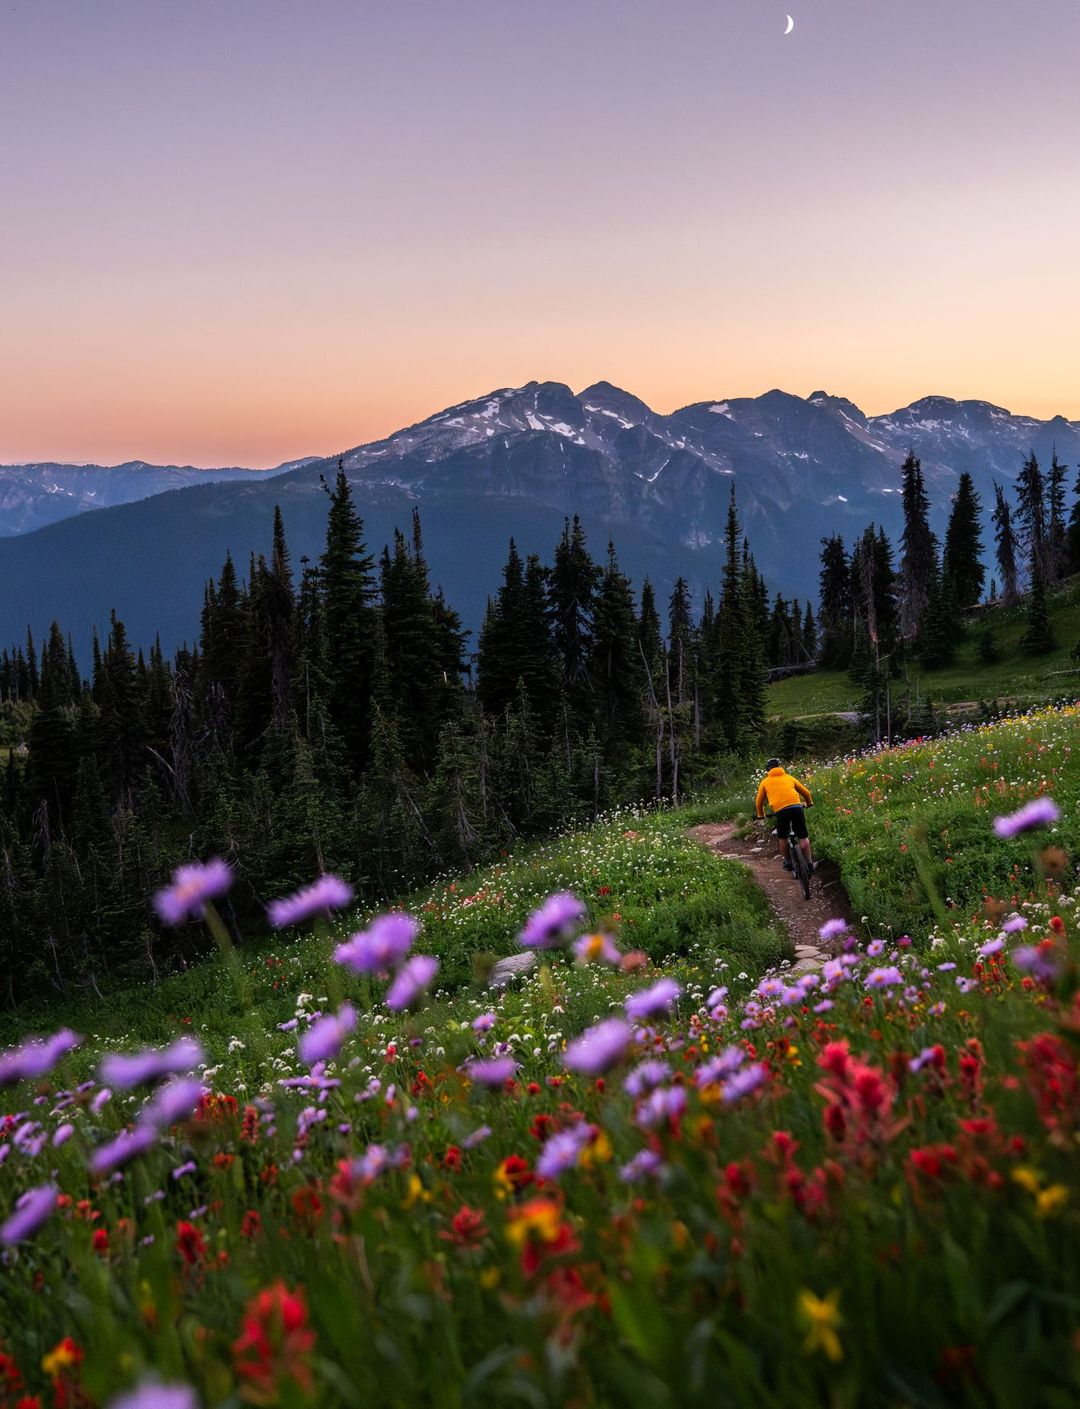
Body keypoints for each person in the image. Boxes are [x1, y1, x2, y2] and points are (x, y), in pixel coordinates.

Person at [754, 757, 815, 873]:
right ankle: (810, 863)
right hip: (797, 808)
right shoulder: (789, 777)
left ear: (768, 770)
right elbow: (806, 793)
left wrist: (761, 815)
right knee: (803, 836)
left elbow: (759, 802)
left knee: (783, 837)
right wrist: (809, 803)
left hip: (781, 811)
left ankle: (787, 861)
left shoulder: (765, 782)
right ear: (780, 767)